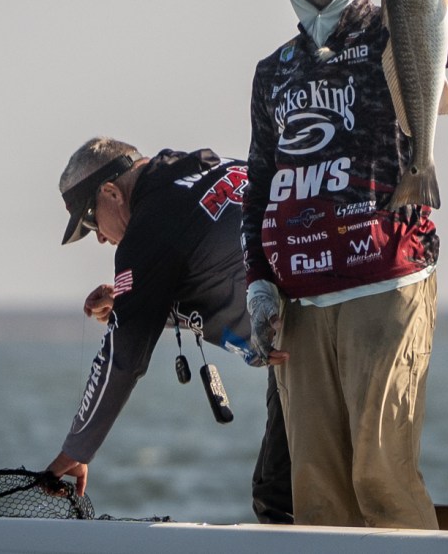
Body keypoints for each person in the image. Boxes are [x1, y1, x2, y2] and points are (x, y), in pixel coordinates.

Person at [240, 0, 448, 528]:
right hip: (301, 303)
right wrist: (258, 285)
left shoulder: (391, 28)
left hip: (385, 282)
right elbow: (259, 184)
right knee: (316, 493)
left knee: (381, 477)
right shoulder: (272, 72)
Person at [46, 137, 293, 524]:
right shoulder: (205, 168)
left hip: (306, 342)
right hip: (345, 302)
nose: (99, 237)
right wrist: (132, 298)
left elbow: (122, 359)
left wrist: (75, 451)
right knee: (307, 487)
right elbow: (210, 257)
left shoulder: (148, 230)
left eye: (91, 221)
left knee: (278, 498)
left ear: (111, 192)